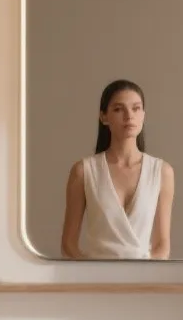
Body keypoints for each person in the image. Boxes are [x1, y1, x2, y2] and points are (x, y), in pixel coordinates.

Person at [60, 79, 175, 259]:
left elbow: (162, 245)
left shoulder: (161, 172)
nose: (129, 116)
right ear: (104, 117)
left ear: (143, 115)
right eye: (118, 109)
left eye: (136, 108)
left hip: (144, 281)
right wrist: (93, 276)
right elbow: (68, 244)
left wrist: (145, 280)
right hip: (95, 282)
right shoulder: (83, 171)